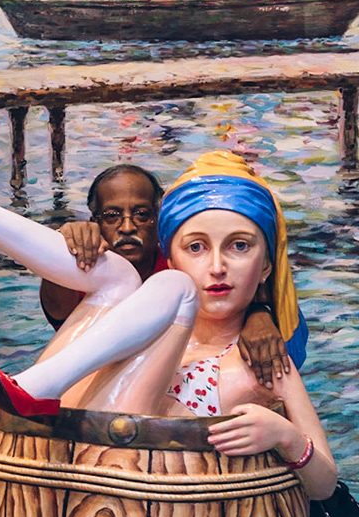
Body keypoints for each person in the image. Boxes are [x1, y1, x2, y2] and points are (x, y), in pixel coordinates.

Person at [0, 140, 334, 499]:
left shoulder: (262, 361)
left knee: (164, 287)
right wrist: (68, 239)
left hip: (125, 469)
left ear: (266, 264)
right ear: (170, 253)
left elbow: (326, 484)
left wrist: (287, 438)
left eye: (239, 247)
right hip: (63, 441)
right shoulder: (144, 318)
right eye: (196, 248)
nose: (217, 267)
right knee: (123, 277)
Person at [38, 163, 288, 386]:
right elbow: (58, 311)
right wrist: (63, 250)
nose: (127, 227)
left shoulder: (179, 266)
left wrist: (259, 316)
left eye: (141, 215)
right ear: (95, 222)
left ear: (159, 221)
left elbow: (228, 299)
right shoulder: (85, 264)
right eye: (112, 216)